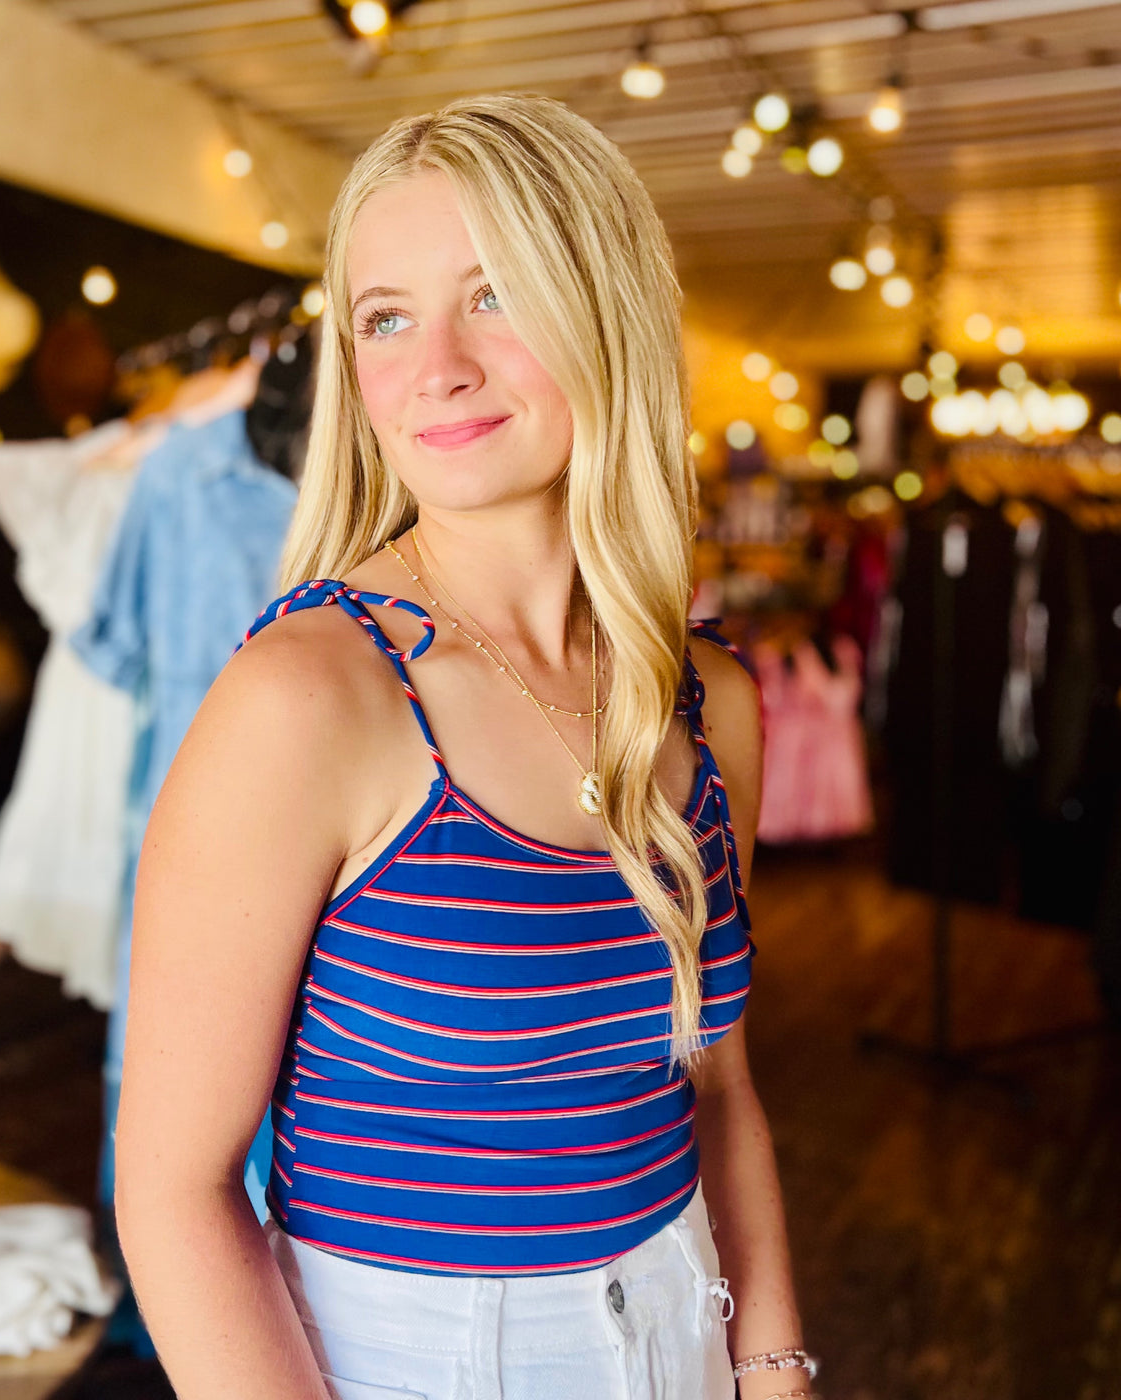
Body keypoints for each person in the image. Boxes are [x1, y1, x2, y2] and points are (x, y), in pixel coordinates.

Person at [115, 93, 813, 1400]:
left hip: (680, 1322)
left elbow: (718, 1088)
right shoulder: (309, 701)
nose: (434, 365)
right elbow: (173, 1191)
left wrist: (775, 1370)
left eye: (494, 297)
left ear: (602, 310)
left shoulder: (708, 703)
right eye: (386, 317)